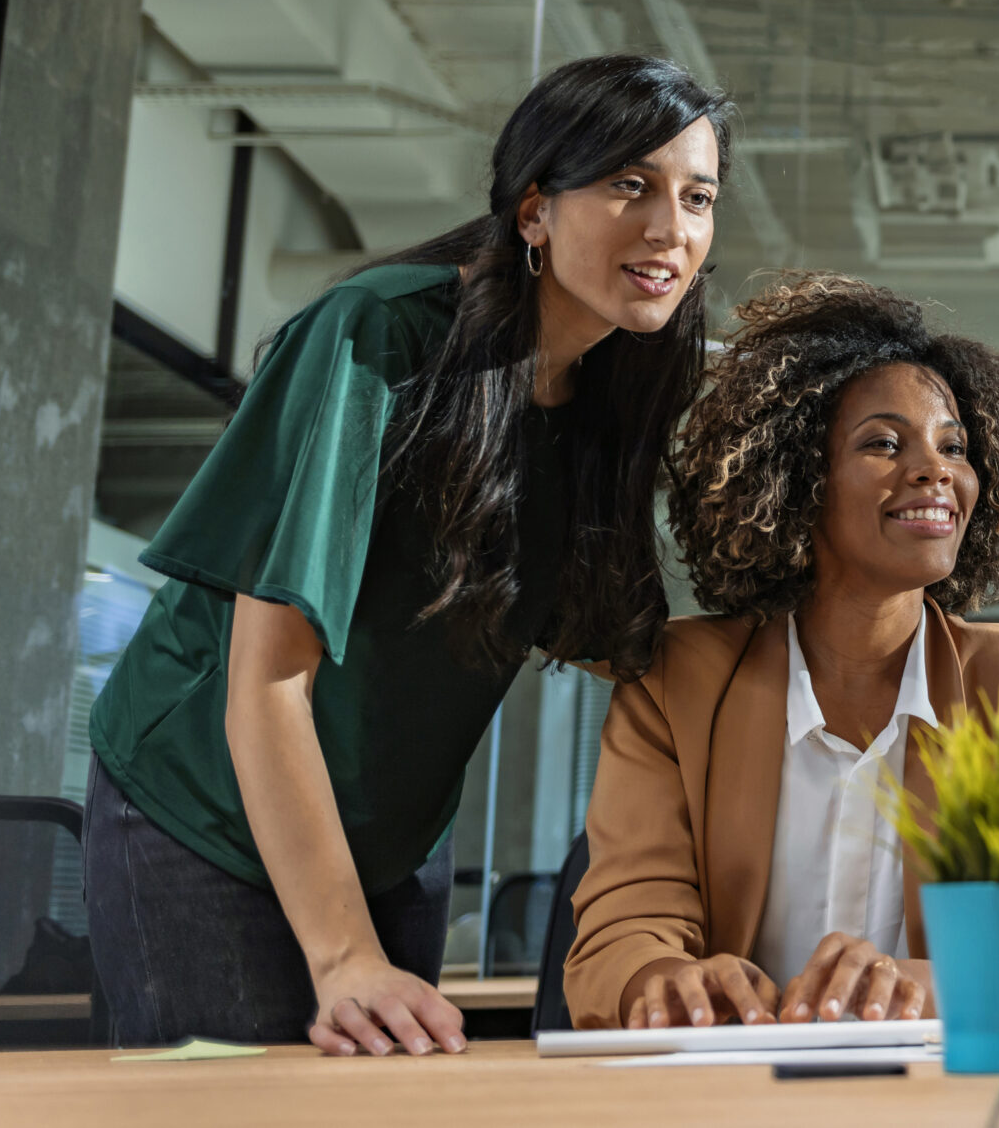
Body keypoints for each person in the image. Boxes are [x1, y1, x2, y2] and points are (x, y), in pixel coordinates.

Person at [84, 55, 730, 1055]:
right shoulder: (381, 334)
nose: (670, 228)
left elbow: (614, 647)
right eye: (628, 184)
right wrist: (343, 955)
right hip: (205, 813)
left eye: (697, 197)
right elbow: (266, 681)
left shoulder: (609, 391)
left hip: (388, 836)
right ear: (533, 211)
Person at [564, 273, 999, 1030]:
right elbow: (622, 926)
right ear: (801, 478)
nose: (935, 469)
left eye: (953, 446)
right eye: (882, 442)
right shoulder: (679, 684)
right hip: (728, 1094)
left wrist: (921, 984)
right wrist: (668, 979)